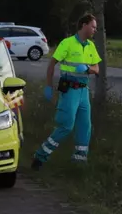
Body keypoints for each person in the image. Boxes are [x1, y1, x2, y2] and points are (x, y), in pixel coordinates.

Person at [31, 13, 102, 170]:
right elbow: (52, 64)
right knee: (66, 125)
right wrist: (49, 86)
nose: (94, 30)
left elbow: (97, 68)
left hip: (84, 91)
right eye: (93, 26)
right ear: (84, 25)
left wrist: (88, 69)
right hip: (70, 90)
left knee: (85, 126)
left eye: (96, 28)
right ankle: (40, 156)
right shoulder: (67, 43)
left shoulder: (91, 46)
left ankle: (79, 162)